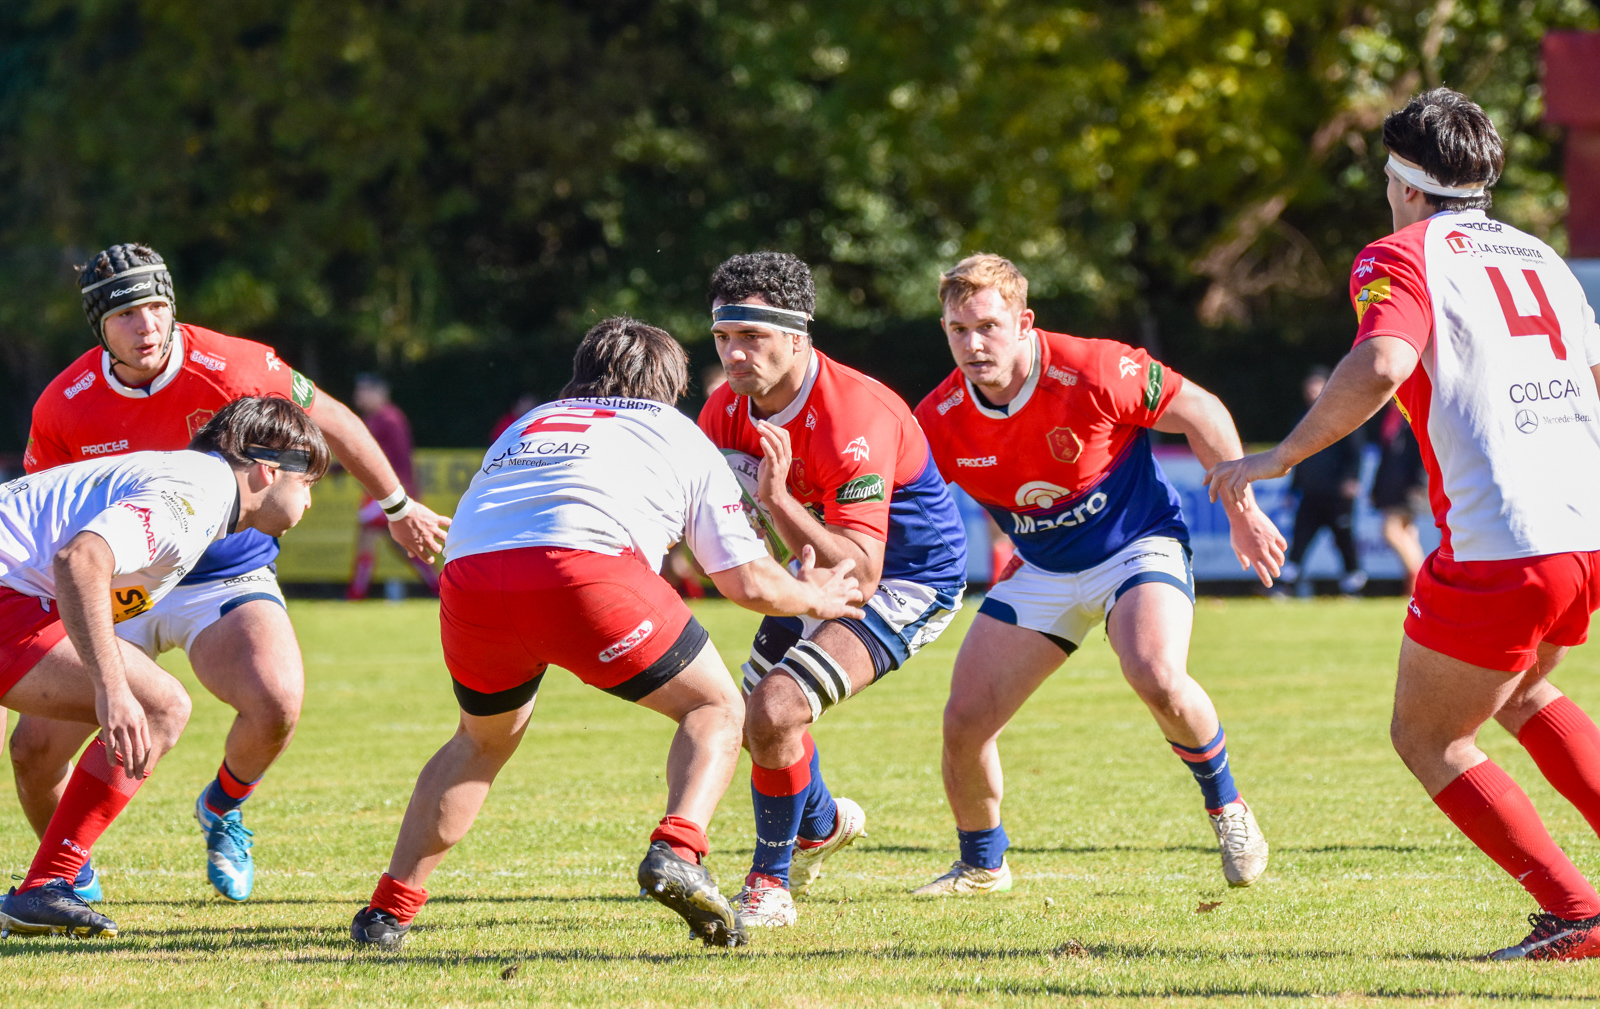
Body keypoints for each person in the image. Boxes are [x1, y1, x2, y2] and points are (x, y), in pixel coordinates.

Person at [1208, 89, 1600, 961]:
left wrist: (1278, 458)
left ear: (1404, 182)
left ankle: (1576, 913)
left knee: (1428, 735)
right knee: (1525, 689)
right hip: (1584, 529)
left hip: (1505, 541)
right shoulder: (1541, 256)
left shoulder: (1401, 253)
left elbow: (1383, 359)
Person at [349, 317, 863, 949]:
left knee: (478, 743)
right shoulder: (673, 428)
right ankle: (680, 848)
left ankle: (387, 911)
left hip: (471, 581)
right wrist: (817, 595)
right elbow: (747, 583)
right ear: (670, 383)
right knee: (716, 707)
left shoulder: (527, 423)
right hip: (583, 575)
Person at [12, 244, 450, 904]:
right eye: (129, 314)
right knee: (36, 748)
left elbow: (329, 417)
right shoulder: (63, 403)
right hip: (109, 579)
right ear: (99, 325)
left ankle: (222, 805)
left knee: (275, 699)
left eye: (159, 306)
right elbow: (57, 535)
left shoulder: (235, 365)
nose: (149, 325)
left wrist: (396, 504)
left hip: (219, 569)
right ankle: (67, 875)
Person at [910, 253, 1284, 896]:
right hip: (1044, 568)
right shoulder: (938, 419)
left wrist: (1242, 508)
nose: (973, 345)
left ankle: (1229, 810)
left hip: (1138, 546)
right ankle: (982, 865)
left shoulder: (1093, 368)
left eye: (988, 327)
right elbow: (906, 509)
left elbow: (1202, 409)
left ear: (1024, 322)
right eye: (957, 330)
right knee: (964, 720)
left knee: (1155, 673)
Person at [698, 252, 969, 928]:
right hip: (813, 565)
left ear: (797, 334)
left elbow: (860, 569)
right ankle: (818, 822)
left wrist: (779, 500)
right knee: (747, 710)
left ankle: (770, 883)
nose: (735, 354)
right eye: (724, 337)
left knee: (777, 708)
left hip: (905, 578)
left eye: (752, 337)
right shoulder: (723, 410)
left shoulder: (856, 413)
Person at [0, 397, 328, 938]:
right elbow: (80, 560)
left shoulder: (192, 483)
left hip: (18, 598)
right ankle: (48, 883)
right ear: (269, 469)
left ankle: (51, 883)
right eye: (308, 482)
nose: (310, 502)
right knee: (159, 705)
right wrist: (111, 689)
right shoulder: (196, 494)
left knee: (152, 702)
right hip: (10, 599)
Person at [345, 374, 441, 599]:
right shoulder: (378, 418)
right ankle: (440, 587)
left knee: (368, 535)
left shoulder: (388, 418)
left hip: (387, 492)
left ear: (379, 392)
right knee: (402, 545)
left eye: (362, 391)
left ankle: (355, 594)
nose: (358, 396)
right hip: (385, 491)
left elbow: (398, 458)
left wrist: (406, 493)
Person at [1279, 366, 1367, 596]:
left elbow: (1355, 452)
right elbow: (1295, 457)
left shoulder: (1344, 414)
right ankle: (1286, 586)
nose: (1311, 390)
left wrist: (1351, 480)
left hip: (1337, 494)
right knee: (1300, 539)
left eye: (1316, 385)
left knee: (1343, 540)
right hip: (1310, 493)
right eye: (1308, 386)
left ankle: (1354, 584)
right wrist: (1292, 489)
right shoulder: (1301, 417)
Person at [1369, 401, 1427, 594]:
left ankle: (1418, 576)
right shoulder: (1390, 415)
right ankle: (1415, 585)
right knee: (1407, 532)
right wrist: (1376, 490)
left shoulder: (1413, 413)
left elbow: (1422, 450)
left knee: (1390, 530)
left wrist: (1419, 484)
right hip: (1392, 486)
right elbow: (1386, 457)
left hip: (1409, 486)